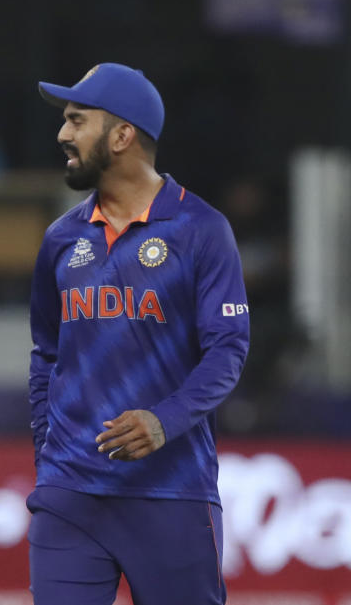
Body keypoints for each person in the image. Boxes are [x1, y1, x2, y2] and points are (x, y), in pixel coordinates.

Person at [26, 63, 249, 605]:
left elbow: (228, 350)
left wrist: (162, 421)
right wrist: (48, 449)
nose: (63, 134)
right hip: (70, 496)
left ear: (122, 135)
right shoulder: (61, 238)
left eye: (78, 120)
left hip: (171, 493)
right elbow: (46, 355)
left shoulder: (201, 229)